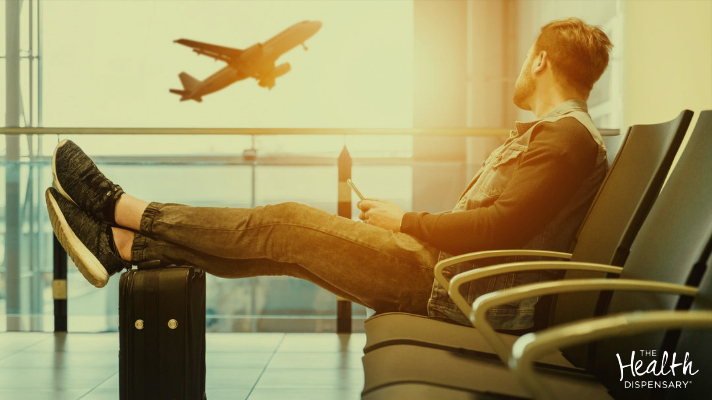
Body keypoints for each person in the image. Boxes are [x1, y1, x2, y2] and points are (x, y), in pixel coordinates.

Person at [46, 17, 612, 331]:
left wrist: (407, 220)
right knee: (286, 250)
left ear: (539, 60)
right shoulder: (561, 138)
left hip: (449, 288)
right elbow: (501, 227)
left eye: (524, 60)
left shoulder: (564, 139)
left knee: (285, 223)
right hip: (449, 279)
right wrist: (408, 224)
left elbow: (500, 229)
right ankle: (123, 247)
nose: (518, 70)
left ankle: (121, 208)